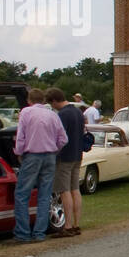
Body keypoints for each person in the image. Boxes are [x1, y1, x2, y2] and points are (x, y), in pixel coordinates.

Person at [12, 88, 66, 243]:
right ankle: (40, 233)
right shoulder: (52, 115)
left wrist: (19, 152)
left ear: (29, 100)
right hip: (49, 156)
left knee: (22, 194)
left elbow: (21, 136)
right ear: (43, 100)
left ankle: (23, 233)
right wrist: (54, 150)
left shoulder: (26, 113)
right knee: (45, 195)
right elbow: (63, 139)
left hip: (32, 155)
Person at [48, 89, 85, 237]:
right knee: (75, 189)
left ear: (54, 101)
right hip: (77, 154)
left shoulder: (62, 115)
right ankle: (76, 223)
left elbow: (59, 136)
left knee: (64, 191)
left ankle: (67, 226)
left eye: (51, 104)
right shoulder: (78, 112)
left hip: (64, 156)